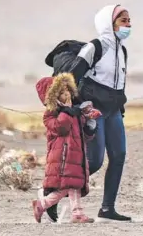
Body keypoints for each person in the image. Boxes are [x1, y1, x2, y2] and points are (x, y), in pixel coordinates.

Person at [65, 4, 132, 222]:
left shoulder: (122, 50)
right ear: (109, 24)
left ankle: (107, 209)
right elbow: (72, 77)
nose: (128, 25)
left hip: (113, 111)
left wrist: (120, 107)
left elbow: (119, 83)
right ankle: (53, 193)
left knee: (119, 156)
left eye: (129, 20)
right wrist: (80, 106)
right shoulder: (95, 47)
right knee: (94, 162)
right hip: (94, 111)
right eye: (123, 21)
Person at [32, 72, 101, 224]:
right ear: (53, 97)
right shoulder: (50, 115)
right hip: (62, 157)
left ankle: (77, 214)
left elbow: (81, 133)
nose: (67, 95)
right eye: (62, 93)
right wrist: (66, 112)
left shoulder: (73, 111)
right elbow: (61, 128)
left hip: (75, 155)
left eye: (67, 90)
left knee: (75, 184)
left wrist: (89, 124)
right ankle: (42, 204)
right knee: (66, 186)